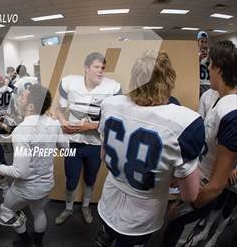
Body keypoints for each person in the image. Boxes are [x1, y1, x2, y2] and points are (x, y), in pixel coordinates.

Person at [95, 51, 203, 247]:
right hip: (142, 215)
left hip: (109, 199)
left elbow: (104, 155)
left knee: (111, 232)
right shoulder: (185, 123)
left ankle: (106, 235)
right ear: (169, 80)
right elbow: (190, 195)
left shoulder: (110, 104)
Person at [161, 40, 237, 247]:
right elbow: (207, 151)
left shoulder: (232, 112)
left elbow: (216, 186)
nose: (207, 70)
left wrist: (191, 204)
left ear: (218, 68)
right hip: (196, 184)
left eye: (209, 65)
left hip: (201, 194)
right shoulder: (219, 101)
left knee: (179, 239)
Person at [0, 84, 69, 247]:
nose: (18, 98)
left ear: (30, 106)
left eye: (22, 97)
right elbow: (65, 148)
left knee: (6, 210)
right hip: (45, 184)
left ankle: (26, 242)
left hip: (26, 188)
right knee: (38, 212)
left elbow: (20, 171)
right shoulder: (53, 124)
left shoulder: (21, 131)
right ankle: (38, 244)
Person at [55, 52, 121, 225]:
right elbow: (59, 110)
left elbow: (115, 120)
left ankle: (85, 206)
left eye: (103, 68)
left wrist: (90, 126)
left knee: (91, 178)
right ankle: (68, 208)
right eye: (96, 67)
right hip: (74, 142)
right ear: (86, 68)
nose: (100, 71)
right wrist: (63, 122)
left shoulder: (112, 87)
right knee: (71, 178)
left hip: (95, 143)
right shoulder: (70, 82)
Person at [198, 31, 210, 96]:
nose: (204, 44)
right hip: (199, 83)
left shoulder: (211, 54)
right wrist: (199, 59)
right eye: (202, 41)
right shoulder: (194, 54)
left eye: (206, 42)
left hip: (209, 83)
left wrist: (209, 58)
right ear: (198, 42)